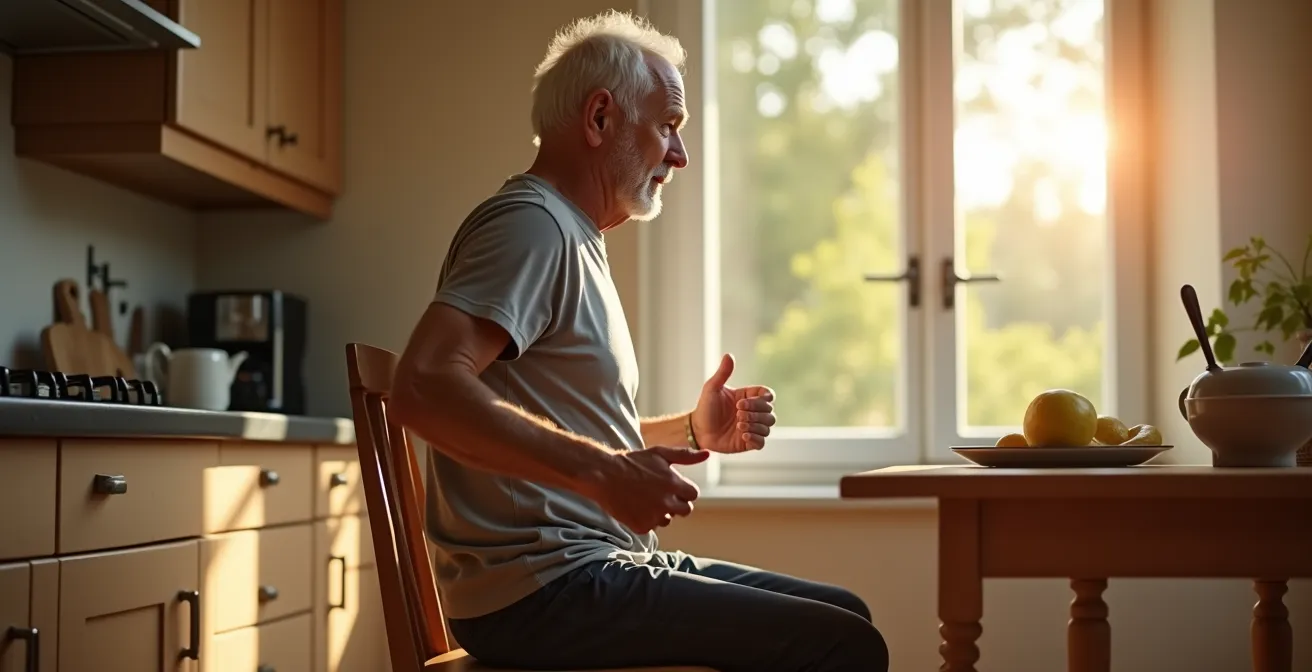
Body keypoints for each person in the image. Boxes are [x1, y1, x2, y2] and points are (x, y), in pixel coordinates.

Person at [390, 10, 889, 672]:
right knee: (843, 646)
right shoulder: (530, 228)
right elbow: (422, 388)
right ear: (600, 119)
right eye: (668, 127)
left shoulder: (572, 236)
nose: (679, 154)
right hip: (543, 593)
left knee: (847, 614)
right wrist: (602, 474)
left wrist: (689, 429)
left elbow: (565, 422)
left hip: (589, 569)